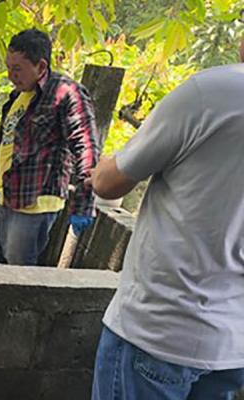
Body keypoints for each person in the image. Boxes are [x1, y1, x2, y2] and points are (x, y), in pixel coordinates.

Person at [89, 40, 244, 399]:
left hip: (159, 330)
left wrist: (108, 160)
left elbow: (108, 183)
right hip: (231, 346)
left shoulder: (211, 93)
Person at [0, 28, 100, 266]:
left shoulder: (65, 93)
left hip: (32, 204)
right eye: (8, 67)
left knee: (17, 271)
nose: (10, 75)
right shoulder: (19, 95)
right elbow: (3, 143)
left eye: (17, 69)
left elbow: (85, 146)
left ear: (41, 67)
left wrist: (84, 202)